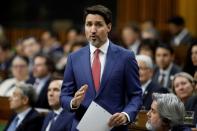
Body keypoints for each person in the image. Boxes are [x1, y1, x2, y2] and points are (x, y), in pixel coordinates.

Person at [60, 5, 142, 131]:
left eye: (98, 24)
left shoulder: (126, 57)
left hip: (114, 127)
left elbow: (136, 95)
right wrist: (73, 102)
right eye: (89, 24)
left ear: (108, 27)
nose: (93, 30)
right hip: (81, 127)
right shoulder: (73, 58)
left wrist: (126, 115)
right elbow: (64, 95)